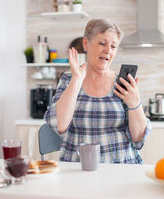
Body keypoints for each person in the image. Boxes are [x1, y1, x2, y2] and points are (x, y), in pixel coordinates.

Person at [45, 19, 152, 163]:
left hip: (121, 168)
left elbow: (138, 139)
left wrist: (135, 104)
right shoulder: (68, 79)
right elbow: (58, 125)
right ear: (85, 44)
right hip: (79, 169)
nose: (108, 50)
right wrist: (77, 79)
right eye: (102, 43)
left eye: (113, 46)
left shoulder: (123, 83)